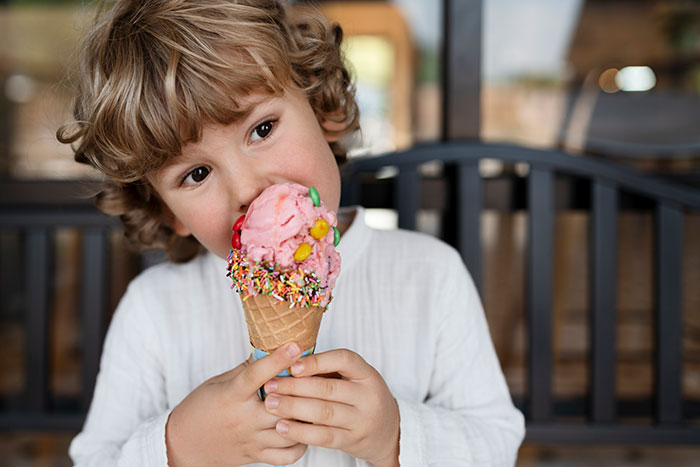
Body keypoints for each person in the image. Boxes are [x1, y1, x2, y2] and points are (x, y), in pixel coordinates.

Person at [58, 0, 525, 465]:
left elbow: (495, 442)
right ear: (166, 211)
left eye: (262, 128)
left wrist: (396, 436)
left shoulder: (430, 275)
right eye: (197, 174)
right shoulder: (153, 310)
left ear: (324, 111)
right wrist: (179, 447)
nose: (246, 187)